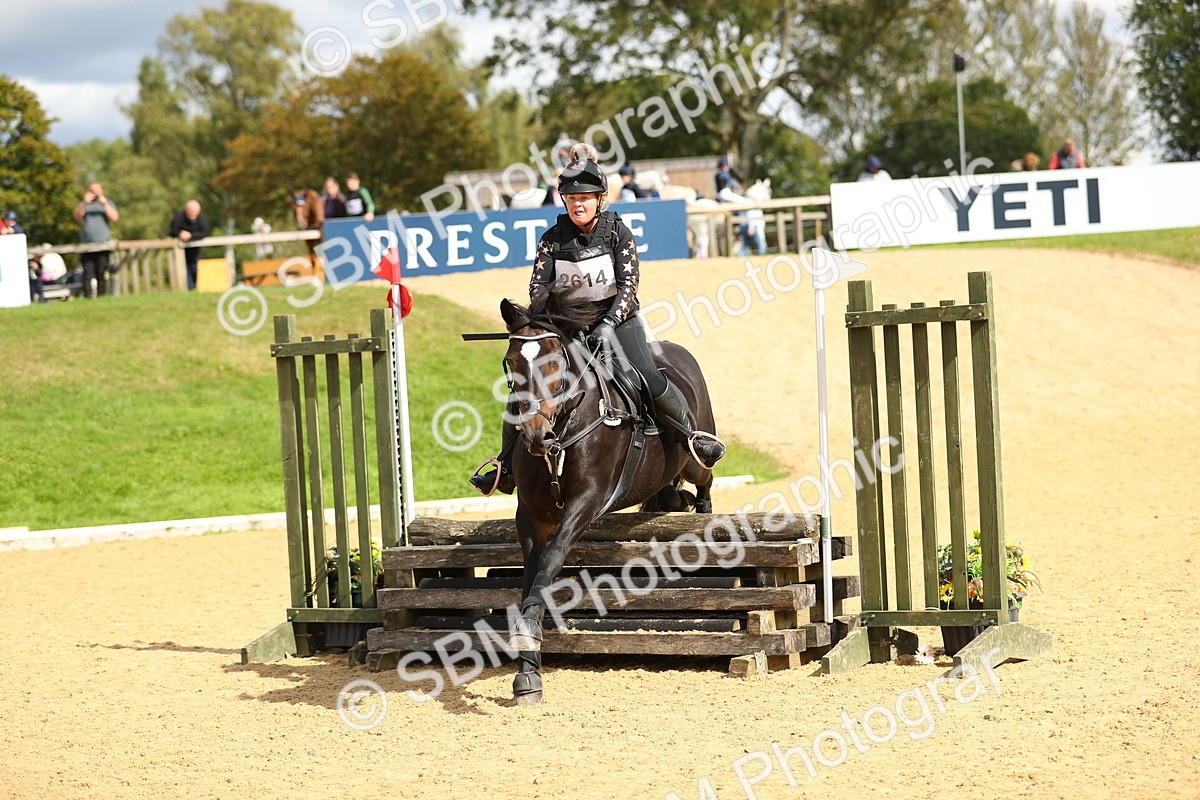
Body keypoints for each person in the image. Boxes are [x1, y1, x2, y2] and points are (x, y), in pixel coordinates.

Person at [469, 143, 726, 495]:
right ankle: (506, 466)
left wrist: (606, 323)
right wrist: (556, 322)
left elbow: (629, 286)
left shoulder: (618, 233)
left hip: (618, 322)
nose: (578, 204)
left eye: (585, 197)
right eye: (571, 198)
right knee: (528, 387)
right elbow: (537, 287)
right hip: (567, 328)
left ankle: (690, 439)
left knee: (645, 374)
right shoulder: (551, 241)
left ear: (599, 199)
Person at [73, 181, 119, 298]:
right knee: (88, 273)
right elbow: (77, 217)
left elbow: (115, 217)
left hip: (103, 244)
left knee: (101, 272)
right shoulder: (84, 204)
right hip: (86, 245)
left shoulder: (108, 203)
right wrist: (84, 203)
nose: (95, 193)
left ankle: (101, 296)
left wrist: (104, 204)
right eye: (92, 191)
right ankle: (88, 296)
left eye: (97, 191)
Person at [169, 199, 210, 291]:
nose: (193, 214)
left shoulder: (201, 218)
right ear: (186, 210)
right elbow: (173, 232)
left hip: (194, 249)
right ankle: (187, 288)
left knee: (194, 267)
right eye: (191, 211)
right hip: (180, 250)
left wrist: (191, 236)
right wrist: (180, 235)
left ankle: (193, 287)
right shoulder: (178, 217)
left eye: (195, 212)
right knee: (183, 267)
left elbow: (205, 232)